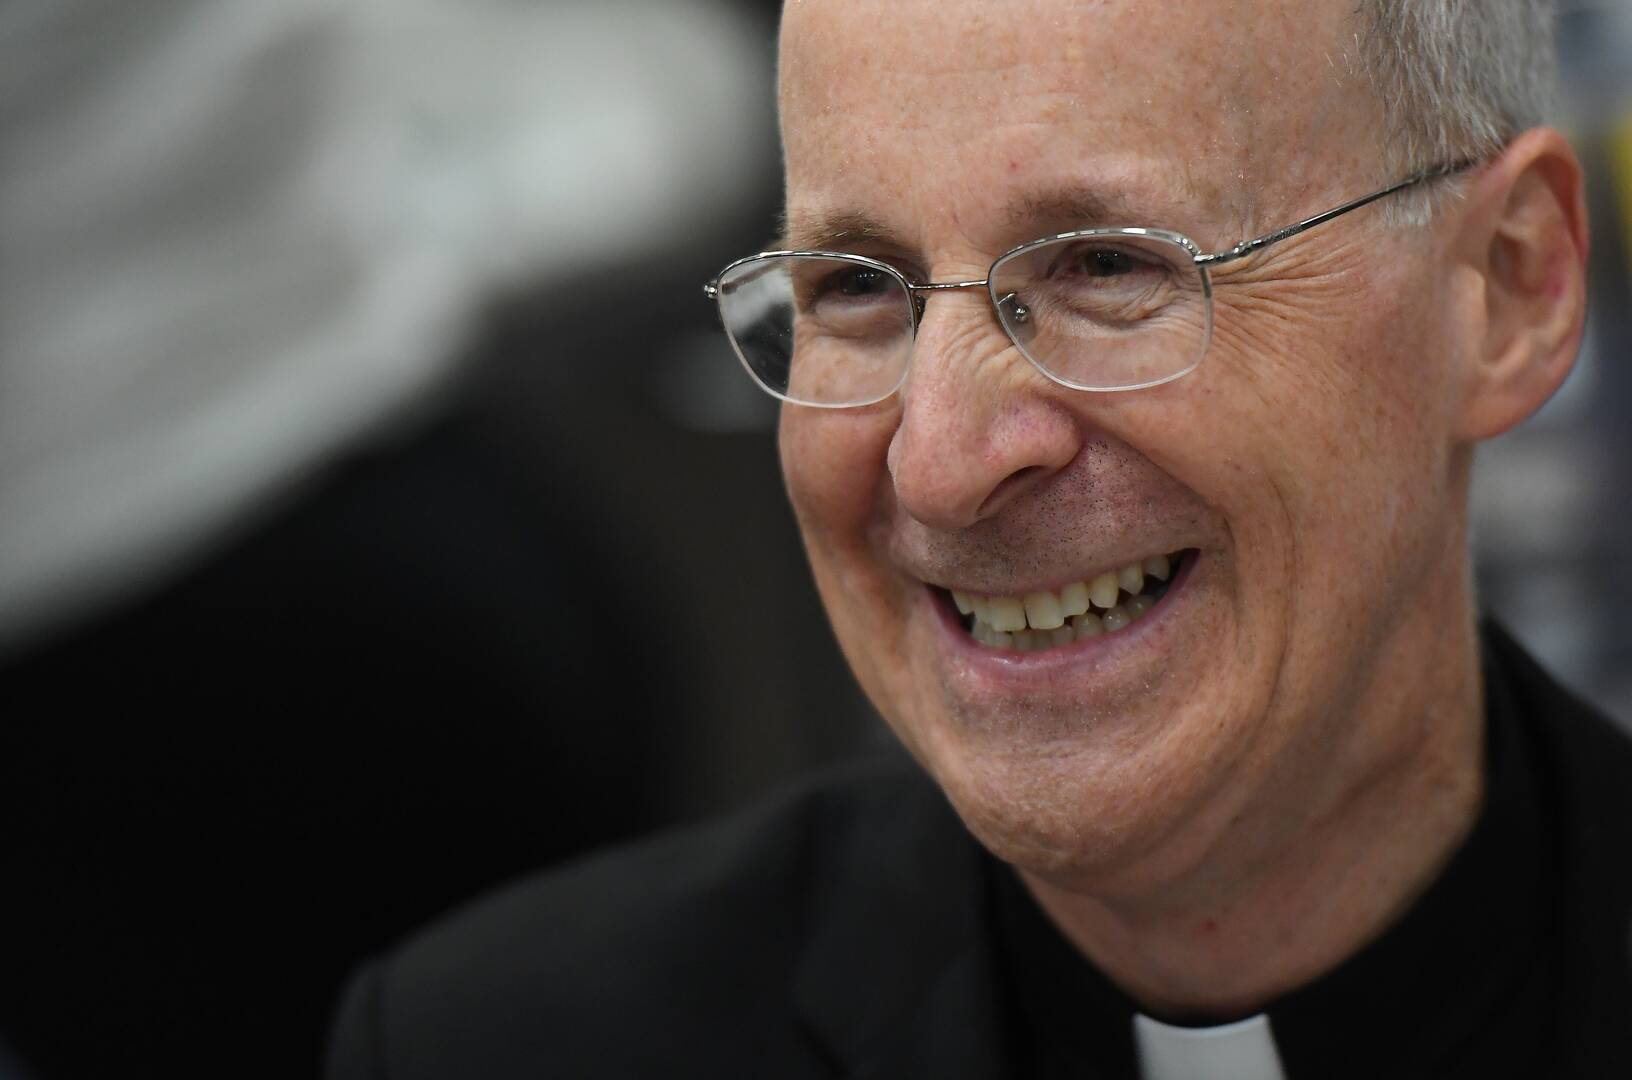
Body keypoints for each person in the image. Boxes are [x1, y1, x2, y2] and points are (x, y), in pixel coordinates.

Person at [326, 1, 1632, 1076]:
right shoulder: (507, 1045)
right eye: (854, 288)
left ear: (1507, 286)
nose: (941, 465)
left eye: (1108, 267)